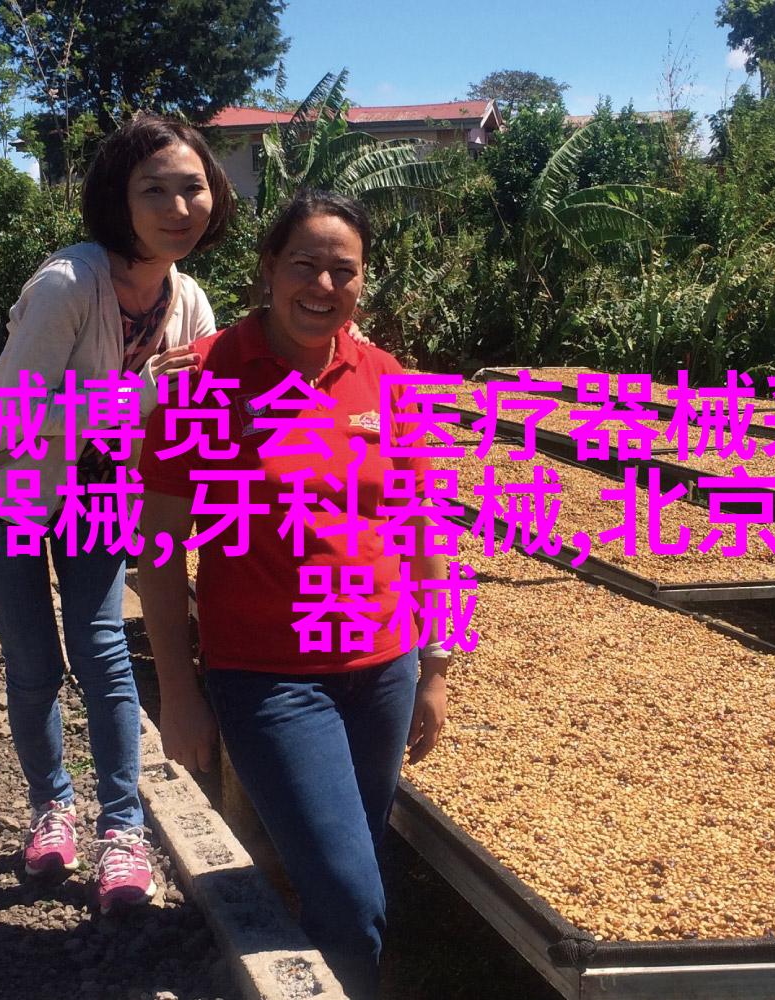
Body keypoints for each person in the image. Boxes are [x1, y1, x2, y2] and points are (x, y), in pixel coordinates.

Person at [137, 190, 452, 997]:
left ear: (363, 281)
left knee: (348, 866)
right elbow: (160, 552)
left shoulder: (384, 378)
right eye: (305, 265)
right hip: (269, 679)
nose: (323, 285)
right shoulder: (203, 377)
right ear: (269, 269)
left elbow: (424, 525)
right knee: (351, 895)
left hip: (383, 671)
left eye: (344, 270)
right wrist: (178, 691)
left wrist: (437, 664)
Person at [0, 114, 233, 913]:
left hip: (96, 489)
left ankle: (123, 829)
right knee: (34, 662)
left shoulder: (190, 301)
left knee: (104, 651)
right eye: (155, 191)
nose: (178, 208)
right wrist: (140, 396)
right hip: (4, 487)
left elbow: (203, 412)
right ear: (118, 199)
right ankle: (51, 807)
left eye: (193, 189)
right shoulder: (68, 285)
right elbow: (7, 419)